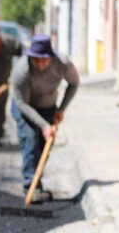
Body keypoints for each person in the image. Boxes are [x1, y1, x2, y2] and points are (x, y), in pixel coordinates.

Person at [10, 34, 79, 201]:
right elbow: (22, 103)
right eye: (36, 60)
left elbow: (74, 83)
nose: (40, 64)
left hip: (48, 107)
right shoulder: (21, 70)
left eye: (44, 60)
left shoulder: (62, 63)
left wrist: (61, 109)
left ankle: (36, 182)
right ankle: (30, 187)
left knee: (44, 146)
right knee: (30, 139)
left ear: (51, 56)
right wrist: (43, 125)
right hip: (25, 107)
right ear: (31, 56)